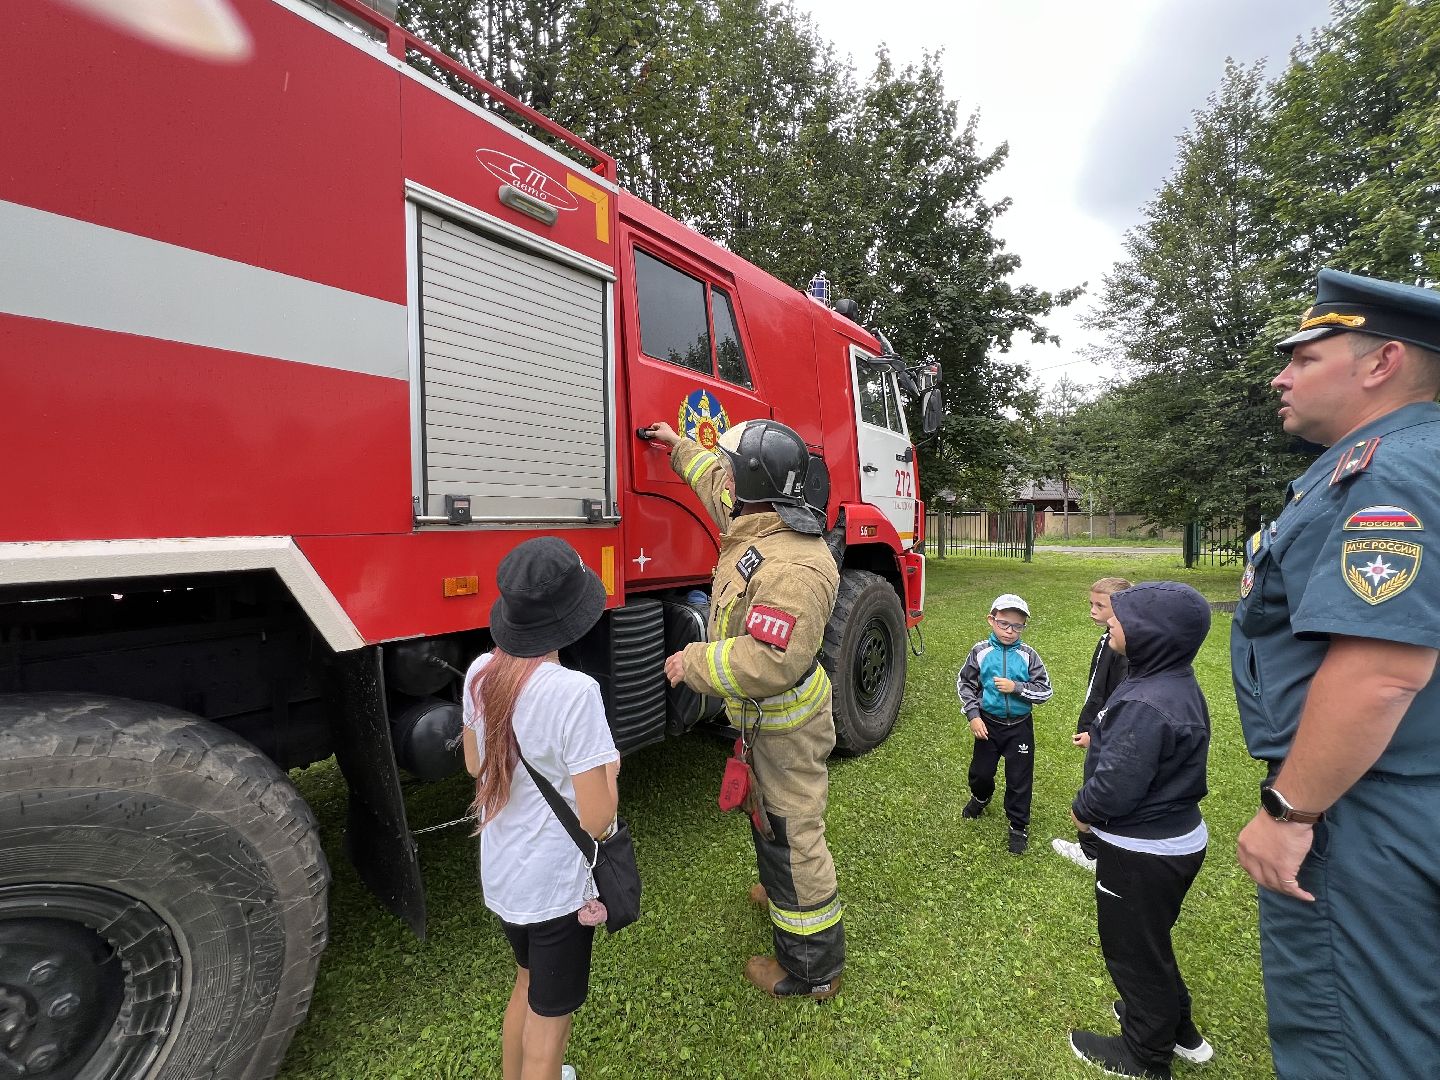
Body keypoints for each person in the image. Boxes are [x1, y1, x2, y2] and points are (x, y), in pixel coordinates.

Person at [1231, 269, 1440, 1080]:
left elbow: (1381, 671)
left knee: (1354, 1045)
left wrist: (1290, 810)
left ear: (1382, 362)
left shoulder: (1386, 473)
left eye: (1304, 357)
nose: (1280, 378)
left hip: (1368, 811)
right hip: (1405, 791)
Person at [644, 417, 845, 1001]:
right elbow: (714, 480)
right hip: (763, 722)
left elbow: (770, 659)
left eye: (735, 470)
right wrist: (676, 445)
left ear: (756, 480)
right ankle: (781, 889)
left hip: (786, 727)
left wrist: (694, 663)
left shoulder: (794, 568)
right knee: (768, 818)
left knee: (792, 832)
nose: (725, 478)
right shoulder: (758, 518)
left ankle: (812, 969)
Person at [461, 536, 621, 1080]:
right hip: (556, 888)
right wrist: (611, 771)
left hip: (505, 877)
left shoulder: (480, 672)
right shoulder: (575, 692)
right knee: (550, 1027)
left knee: (526, 984)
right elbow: (597, 819)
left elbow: (474, 765)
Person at [1067, 582, 1214, 1080]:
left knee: (1132, 952)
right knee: (1151, 941)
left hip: (1142, 853)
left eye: (1121, 617)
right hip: (1174, 842)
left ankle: (1146, 1055)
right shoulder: (1170, 680)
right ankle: (1177, 1029)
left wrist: (1083, 810)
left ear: (1153, 634)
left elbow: (1116, 788)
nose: (1110, 620)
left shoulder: (1148, 703)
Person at [957, 593, 1054, 854]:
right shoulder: (980, 652)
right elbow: (965, 684)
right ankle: (981, 797)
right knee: (980, 773)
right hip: (988, 724)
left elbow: (1045, 691)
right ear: (991, 620)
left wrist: (1017, 688)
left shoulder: (1028, 655)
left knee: (1019, 778)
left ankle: (1018, 826)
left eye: (1017, 626)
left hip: (1020, 727)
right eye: (1004, 624)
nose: (1010, 631)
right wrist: (973, 716)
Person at [1053, 577, 1132, 871]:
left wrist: (1095, 733)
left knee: (1098, 787)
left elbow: (1118, 699)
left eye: (1100, 605)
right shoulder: (1110, 638)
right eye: (1091, 604)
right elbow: (1097, 689)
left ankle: (1093, 853)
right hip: (1100, 728)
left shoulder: (1123, 649)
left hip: (1107, 733)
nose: (1092, 611)